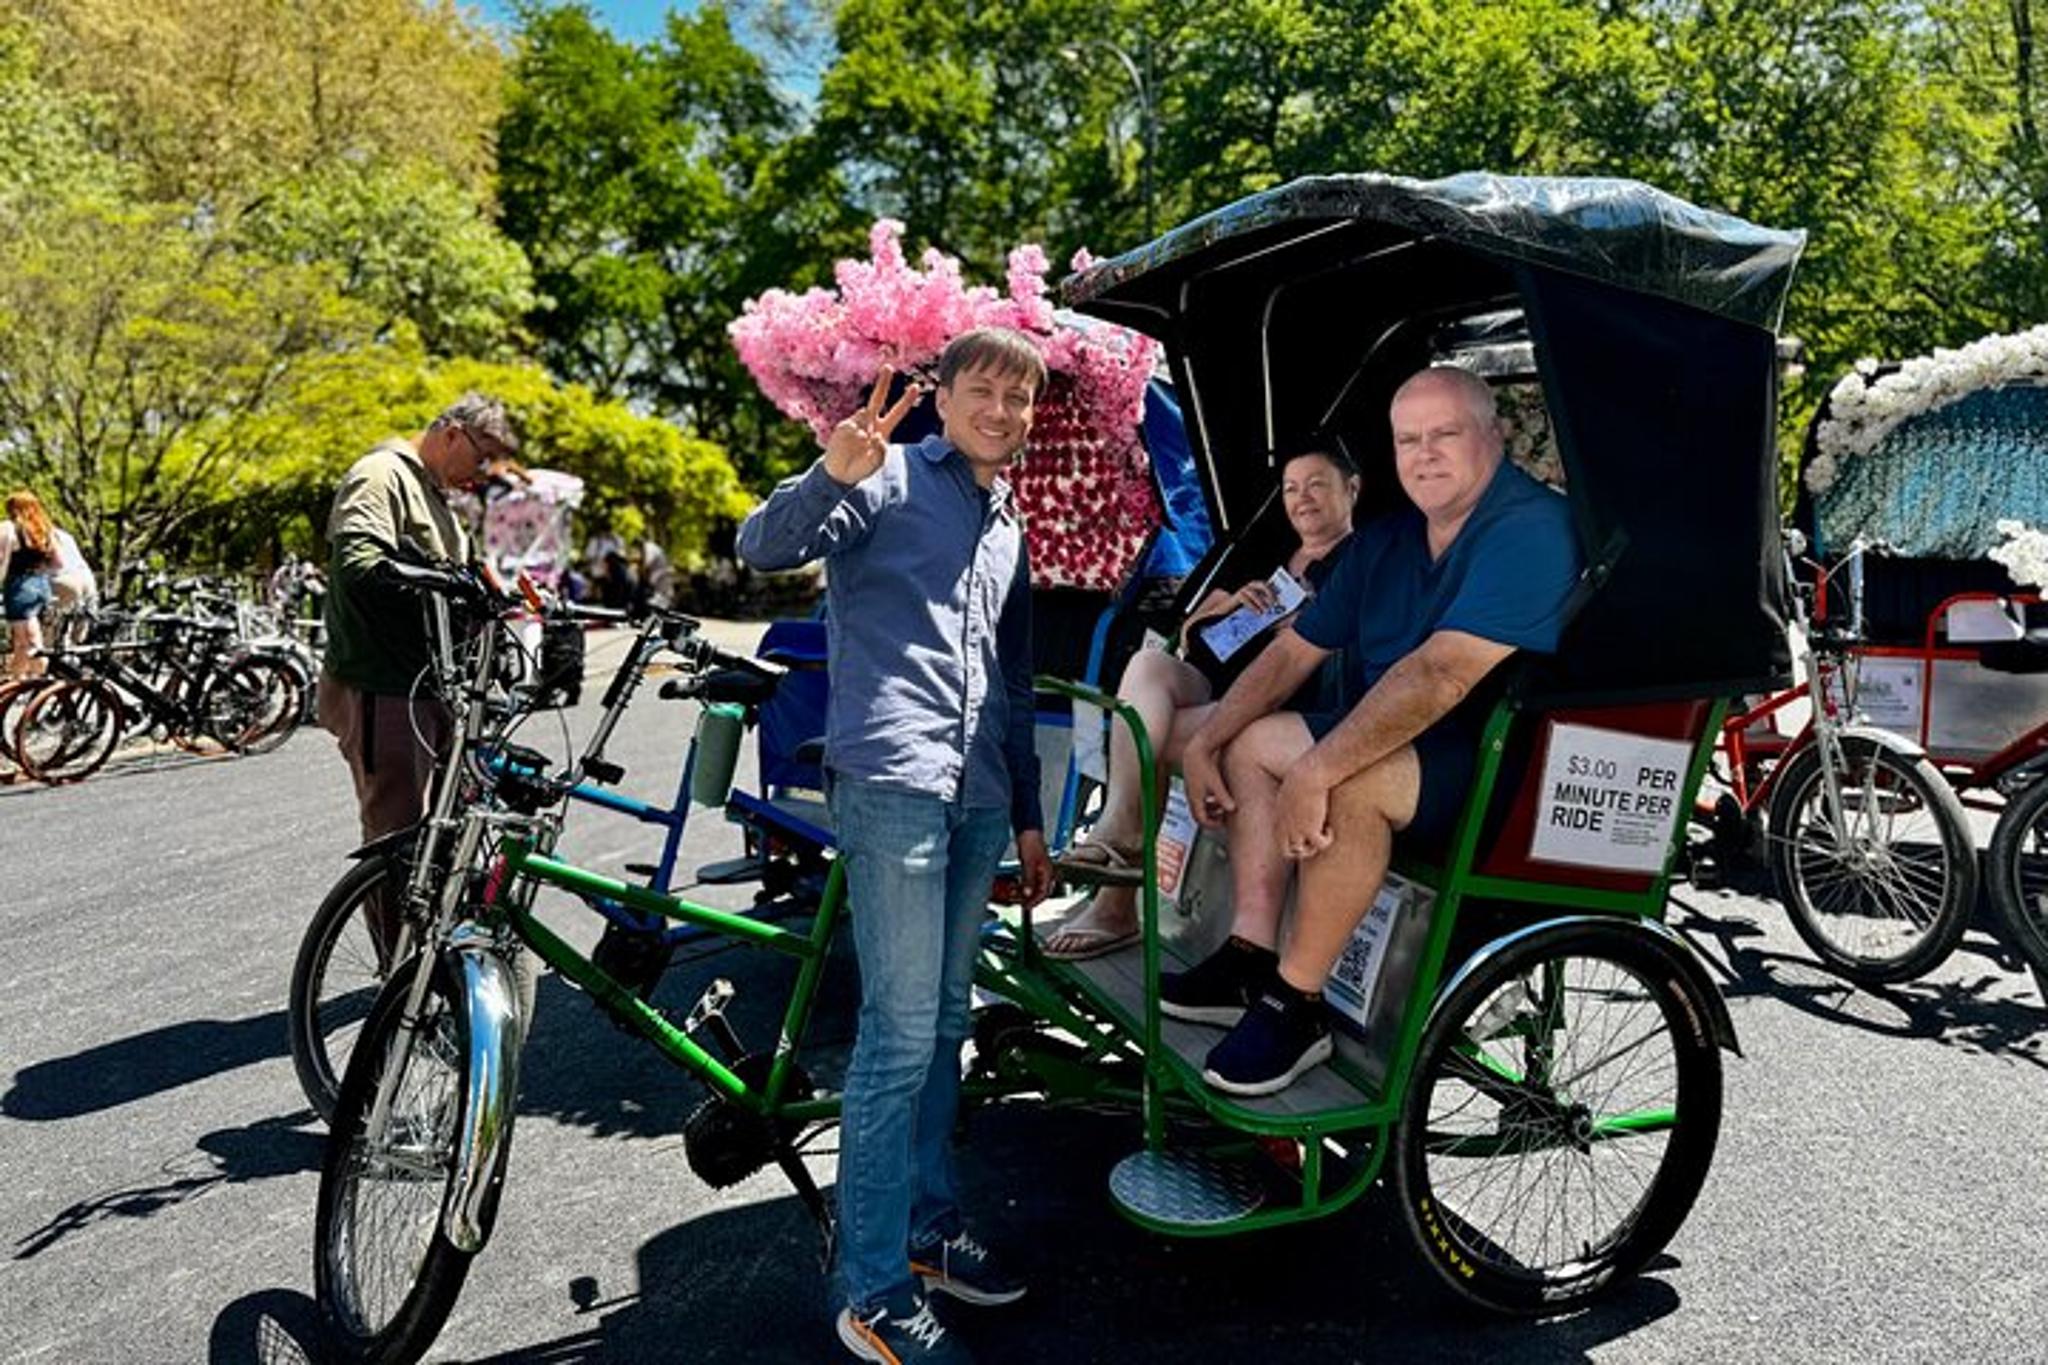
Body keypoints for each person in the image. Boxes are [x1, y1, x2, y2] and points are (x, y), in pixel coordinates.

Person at [736, 328, 1056, 1365]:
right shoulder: (885, 476)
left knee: (946, 1023)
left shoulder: (1005, 518)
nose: (1002, 410)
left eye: (1020, 397)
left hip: (977, 793)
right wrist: (826, 473)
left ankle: (926, 1225)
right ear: (944, 396)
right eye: (983, 390)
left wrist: (1028, 813)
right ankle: (870, 1289)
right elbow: (762, 546)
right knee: (895, 1034)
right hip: (891, 783)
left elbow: (1010, 681)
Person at [1169, 366, 1581, 1097]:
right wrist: (1206, 740)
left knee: (1351, 780)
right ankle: (1252, 955)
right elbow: (1293, 653)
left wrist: (1318, 769)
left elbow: (1440, 676)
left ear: (1494, 436)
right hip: (1404, 743)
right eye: (1407, 439)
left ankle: (1297, 1005)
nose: (1424, 454)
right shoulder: (1390, 541)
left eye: (1445, 434)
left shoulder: (1531, 528)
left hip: (1493, 768)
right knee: (1253, 742)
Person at [1042, 448, 1361, 959]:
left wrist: (1307, 632)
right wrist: (1231, 606)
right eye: (1292, 488)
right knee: (1146, 668)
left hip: (1283, 704)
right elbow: (1195, 642)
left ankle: (1117, 894)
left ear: (1352, 490)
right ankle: (1121, 829)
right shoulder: (1275, 555)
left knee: (1153, 734)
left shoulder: (1359, 562)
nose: (1302, 499)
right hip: (1221, 683)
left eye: (1317, 485)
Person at [317, 392, 519, 855]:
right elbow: (360, 568)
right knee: (396, 838)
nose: (483, 473)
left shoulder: (433, 494)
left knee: (442, 834)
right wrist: (450, 584)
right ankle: (396, 933)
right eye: (482, 458)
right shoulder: (380, 475)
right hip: (384, 682)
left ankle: (431, 928)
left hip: (429, 685)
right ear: (452, 435)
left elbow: (459, 574)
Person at [0, 490, 58, 679]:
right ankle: (18, 683)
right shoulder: (44, 530)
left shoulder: (9, 528)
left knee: (28, 641)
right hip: (41, 586)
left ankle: (38, 683)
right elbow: (58, 564)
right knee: (24, 641)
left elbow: (2, 562)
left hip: (19, 588)